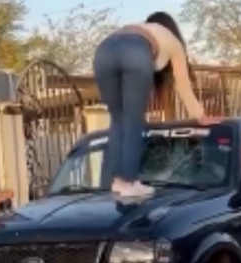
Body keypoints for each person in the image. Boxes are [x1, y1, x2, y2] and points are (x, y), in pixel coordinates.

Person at [92, 11, 218, 200]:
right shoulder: (173, 42)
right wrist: (200, 115)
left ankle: (111, 183)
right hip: (134, 51)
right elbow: (183, 86)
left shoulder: (139, 28)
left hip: (103, 50)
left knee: (117, 120)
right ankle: (128, 182)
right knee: (133, 121)